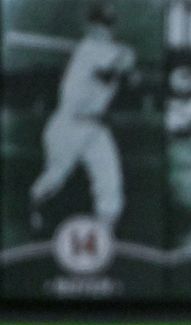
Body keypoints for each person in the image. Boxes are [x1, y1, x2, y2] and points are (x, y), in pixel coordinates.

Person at [29, 1, 135, 232]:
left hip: (95, 127)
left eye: (108, 24)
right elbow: (107, 73)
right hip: (69, 125)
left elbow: (121, 74)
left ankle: (105, 232)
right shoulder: (88, 49)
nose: (104, 30)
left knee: (110, 181)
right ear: (90, 26)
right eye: (99, 24)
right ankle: (35, 205)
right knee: (54, 179)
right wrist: (124, 58)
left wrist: (124, 60)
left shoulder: (108, 50)